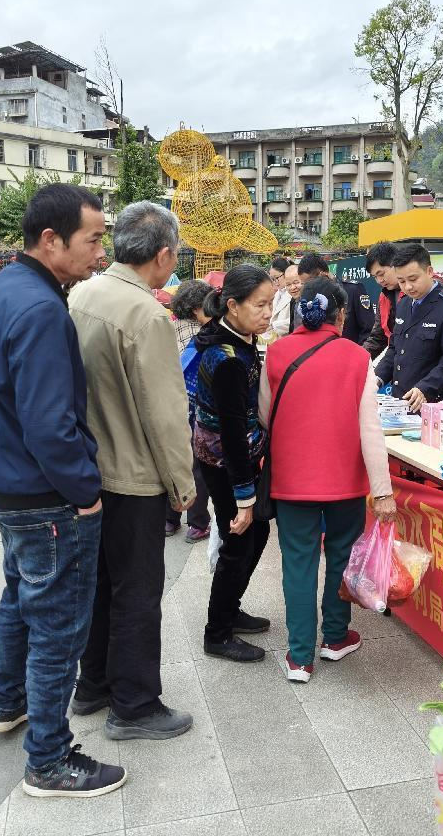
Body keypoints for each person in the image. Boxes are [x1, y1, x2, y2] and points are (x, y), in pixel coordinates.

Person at [0, 184, 126, 797]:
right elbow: (49, 423)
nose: (99, 253)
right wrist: (85, 488)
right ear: (51, 239)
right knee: (58, 626)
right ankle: (49, 761)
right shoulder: (39, 309)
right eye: (92, 240)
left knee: (19, 599)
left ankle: (6, 702)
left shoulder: (4, 290)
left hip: (8, 489)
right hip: (47, 498)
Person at [68, 201, 196, 742]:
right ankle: (135, 704)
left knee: (100, 585)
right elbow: (164, 412)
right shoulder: (146, 314)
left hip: (90, 469)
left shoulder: (84, 293)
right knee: (139, 592)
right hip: (134, 475)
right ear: (163, 255)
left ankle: (93, 684)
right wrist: (183, 485)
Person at [260, 277, 397, 682]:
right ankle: (335, 638)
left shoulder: (277, 352)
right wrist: (383, 490)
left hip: (291, 480)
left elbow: (266, 416)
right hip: (345, 484)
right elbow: (370, 429)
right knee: (342, 557)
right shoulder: (357, 357)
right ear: (340, 314)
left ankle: (300, 657)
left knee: (298, 565)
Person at [193, 265, 275, 662]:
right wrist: (243, 497)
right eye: (260, 305)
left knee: (256, 535)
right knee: (238, 541)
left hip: (230, 456)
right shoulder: (226, 356)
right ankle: (217, 633)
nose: (268, 313)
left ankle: (230, 609)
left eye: (271, 304)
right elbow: (231, 432)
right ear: (233, 305)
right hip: (225, 462)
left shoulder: (240, 339)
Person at [375, 244, 443, 410]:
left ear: (429, 271)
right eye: (401, 281)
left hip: (431, 401)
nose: (408, 287)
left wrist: (425, 387)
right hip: (399, 401)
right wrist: (377, 378)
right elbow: (395, 348)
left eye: (413, 279)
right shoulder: (404, 304)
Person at [165, 278, 214, 542]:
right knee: (197, 467)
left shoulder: (167, 328)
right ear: (197, 308)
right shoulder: (204, 336)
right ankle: (197, 523)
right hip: (196, 409)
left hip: (170, 407)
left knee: (172, 463)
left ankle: (169, 519)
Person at [296, 252, 375, 345]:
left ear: (322, 275)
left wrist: (358, 355)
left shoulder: (353, 290)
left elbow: (368, 329)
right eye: (304, 284)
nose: (307, 287)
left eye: (308, 282)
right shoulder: (309, 297)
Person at [363, 241, 402, 359]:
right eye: (375, 277)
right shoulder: (384, 296)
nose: (379, 281)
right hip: (395, 361)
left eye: (381, 274)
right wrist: (358, 358)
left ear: (396, 264)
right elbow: (378, 337)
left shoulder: (419, 292)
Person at [266, 256, 294, 340]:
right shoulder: (277, 293)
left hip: (287, 340)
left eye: (277, 278)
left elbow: (297, 320)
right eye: (272, 279)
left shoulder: (294, 293)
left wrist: (275, 325)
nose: (275, 282)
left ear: (286, 273)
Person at [283, 262, 304, 334]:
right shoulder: (293, 301)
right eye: (288, 284)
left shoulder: (311, 302)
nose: (292, 288)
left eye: (296, 282)